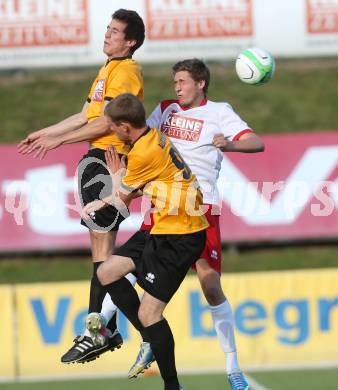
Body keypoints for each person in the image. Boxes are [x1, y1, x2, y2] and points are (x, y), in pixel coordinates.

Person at [92, 59, 264, 389]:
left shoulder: (219, 111)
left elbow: (257, 143)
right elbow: (139, 137)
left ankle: (233, 367)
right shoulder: (166, 110)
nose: (177, 87)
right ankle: (138, 336)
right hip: (161, 206)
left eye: (183, 81)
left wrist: (229, 144)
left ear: (201, 84)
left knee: (210, 285)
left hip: (200, 210)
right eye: (175, 82)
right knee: (123, 272)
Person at [17, 9, 145, 364]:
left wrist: (62, 142)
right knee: (100, 253)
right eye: (107, 28)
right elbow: (87, 114)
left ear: (130, 41)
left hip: (108, 162)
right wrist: (49, 133)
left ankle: (103, 330)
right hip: (97, 162)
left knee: (104, 255)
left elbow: (106, 122)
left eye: (115, 31)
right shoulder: (107, 70)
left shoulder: (125, 71)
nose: (107, 35)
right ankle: (105, 327)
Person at [82, 93, 208, 390]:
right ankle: (148, 335)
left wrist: (107, 187)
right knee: (106, 272)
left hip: (180, 234)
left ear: (125, 127)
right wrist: (120, 182)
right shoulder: (152, 138)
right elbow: (138, 187)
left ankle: (173, 386)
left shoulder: (143, 153)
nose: (110, 131)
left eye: (112, 126)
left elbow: (121, 200)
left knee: (150, 312)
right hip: (164, 225)